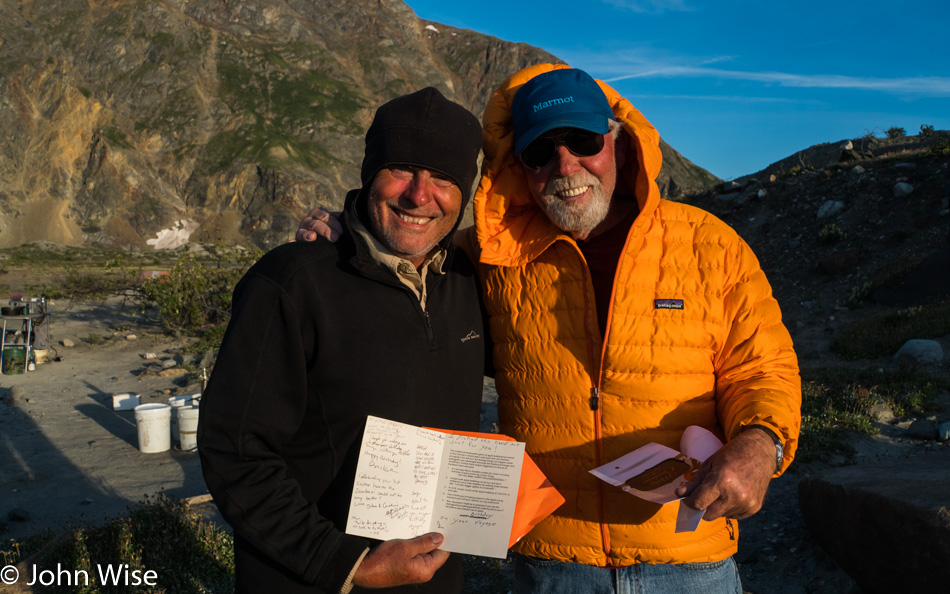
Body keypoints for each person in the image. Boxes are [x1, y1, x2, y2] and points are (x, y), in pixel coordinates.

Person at [297, 65, 801, 593]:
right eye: (541, 152)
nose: (566, 165)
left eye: (583, 141)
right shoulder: (488, 257)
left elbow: (763, 367)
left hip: (690, 557)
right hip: (554, 565)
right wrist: (348, 227)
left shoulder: (709, 246)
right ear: (521, 169)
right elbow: (407, 246)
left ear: (620, 145)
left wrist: (761, 444)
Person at [198, 87, 488, 594]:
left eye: (443, 177)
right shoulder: (292, 282)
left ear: (465, 192)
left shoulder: (469, 282)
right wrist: (349, 566)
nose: (420, 196)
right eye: (401, 169)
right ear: (368, 173)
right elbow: (234, 452)